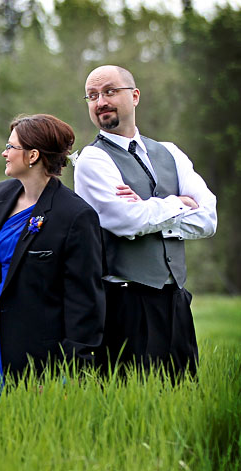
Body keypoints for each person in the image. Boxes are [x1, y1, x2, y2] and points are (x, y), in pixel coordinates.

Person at [74, 65, 217, 376]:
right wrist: (176, 203)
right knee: (130, 402)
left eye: (110, 92)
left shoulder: (170, 153)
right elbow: (125, 220)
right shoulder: (92, 159)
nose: (101, 102)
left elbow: (208, 219)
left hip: (177, 299)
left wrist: (151, 212)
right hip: (126, 303)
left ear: (135, 96)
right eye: (93, 96)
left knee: (182, 396)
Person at [0, 114, 105, 384]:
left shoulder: (76, 215)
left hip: (43, 345)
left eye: (11, 147)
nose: (5, 153)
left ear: (33, 155)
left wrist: (76, 367)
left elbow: (85, 299)